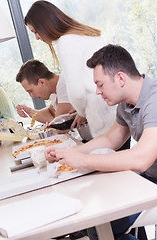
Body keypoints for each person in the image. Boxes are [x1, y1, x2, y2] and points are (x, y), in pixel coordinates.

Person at [45, 44, 157, 240]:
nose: (97, 92)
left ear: (120, 78)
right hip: (148, 179)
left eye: (100, 84)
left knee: (104, 226)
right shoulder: (126, 103)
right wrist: (67, 151)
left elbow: (141, 159)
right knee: (96, 223)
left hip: (150, 180)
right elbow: (110, 139)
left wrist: (81, 160)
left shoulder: (154, 101)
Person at [24, 0, 116, 139]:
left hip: (103, 119)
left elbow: (77, 92)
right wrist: (81, 111)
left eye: (35, 31)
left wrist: (81, 111)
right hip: (115, 111)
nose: (36, 37)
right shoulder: (83, 34)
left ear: (45, 24)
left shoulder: (66, 42)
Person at [15, 59, 74, 124]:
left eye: (31, 91)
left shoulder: (64, 85)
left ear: (42, 82)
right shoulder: (54, 91)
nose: (31, 96)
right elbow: (50, 114)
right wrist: (30, 112)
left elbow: (60, 124)